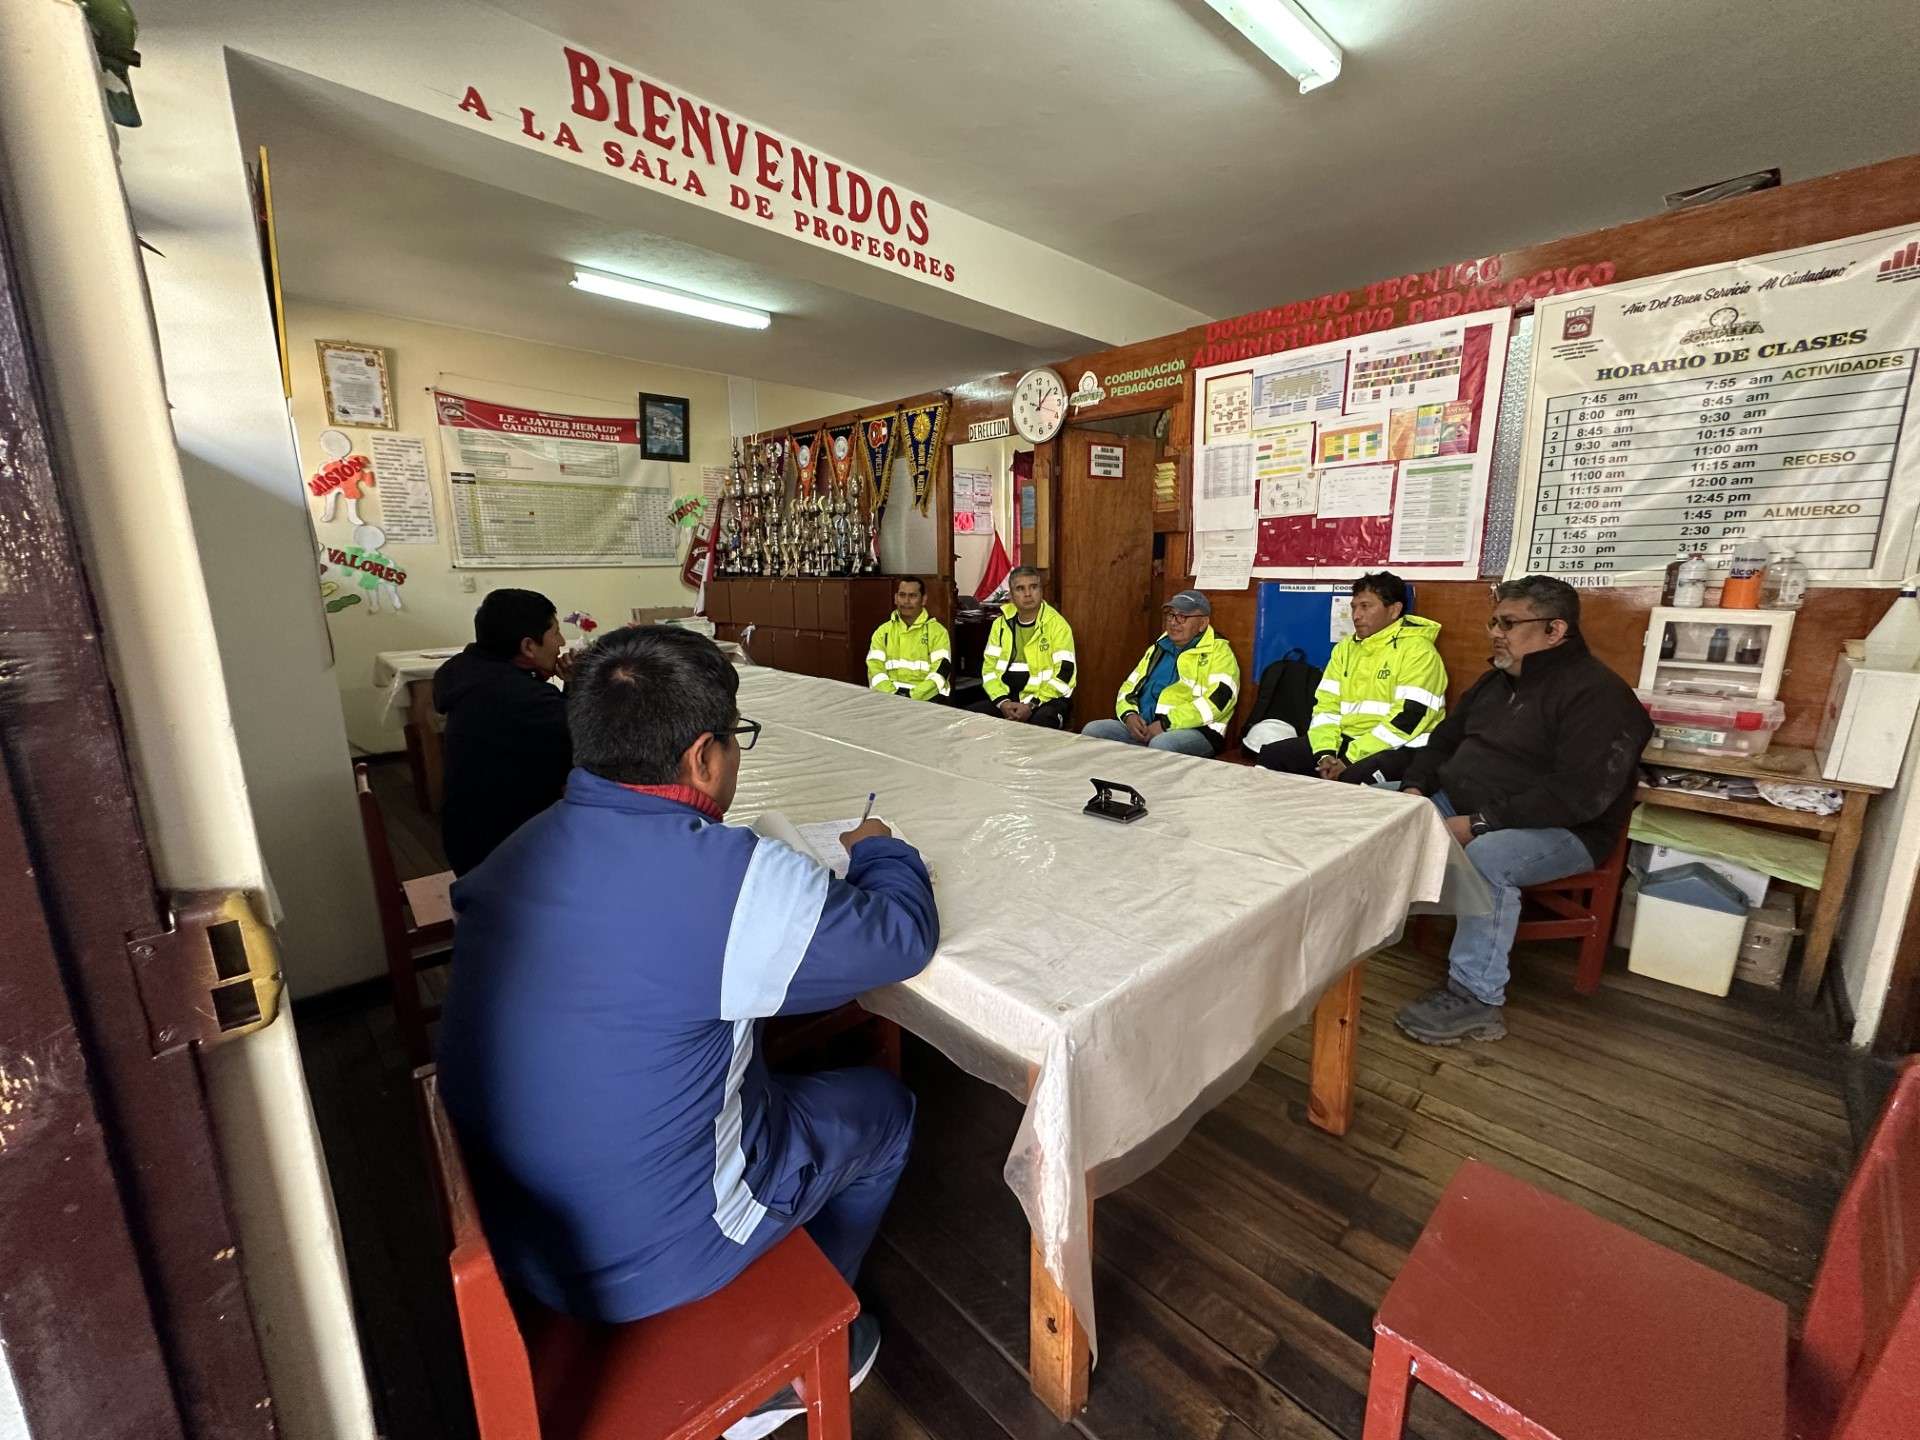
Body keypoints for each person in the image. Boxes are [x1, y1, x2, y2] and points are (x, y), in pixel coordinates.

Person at [438, 626, 937, 1439]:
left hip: (520, 1233)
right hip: (651, 1255)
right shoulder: (728, 877)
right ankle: (783, 1371)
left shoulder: (515, 852)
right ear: (704, 757)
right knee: (886, 1111)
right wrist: (884, 853)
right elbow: (901, 939)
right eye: (736, 739)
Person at [1393, 576, 1653, 1046]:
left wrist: (1478, 824)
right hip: (1468, 803)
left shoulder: (1599, 696)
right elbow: (1441, 744)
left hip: (1566, 828)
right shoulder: (1495, 682)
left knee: (1488, 858)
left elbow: (1578, 795)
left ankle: (1477, 998)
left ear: (1555, 630)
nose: (1496, 632)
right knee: (1380, 811)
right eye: (1494, 622)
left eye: (1509, 623)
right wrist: (1414, 789)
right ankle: (1357, 939)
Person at [433, 588, 573, 876]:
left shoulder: (468, 671)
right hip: (503, 856)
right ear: (528, 647)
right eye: (555, 632)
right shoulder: (520, 697)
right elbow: (587, 743)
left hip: (468, 837)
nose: (561, 643)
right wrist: (580, 684)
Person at [1259, 572, 1447, 785]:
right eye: (1354, 607)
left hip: (1403, 747)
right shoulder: (1345, 649)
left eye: (1365, 606)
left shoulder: (1419, 652)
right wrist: (1325, 753)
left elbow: (1408, 720)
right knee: (1272, 756)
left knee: (1351, 779)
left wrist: (1349, 759)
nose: (1356, 615)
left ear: (1394, 610)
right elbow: (1326, 707)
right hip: (1348, 741)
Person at [1083, 590, 1240, 756]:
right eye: (1171, 615)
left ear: (1202, 623)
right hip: (1147, 725)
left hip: (1197, 730)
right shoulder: (1158, 648)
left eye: (1182, 617)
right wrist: (1129, 714)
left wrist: (1166, 724)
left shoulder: (1220, 653)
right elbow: (1129, 687)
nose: (1173, 622)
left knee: (1161, 744)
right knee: (1093, 731)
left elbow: (1218, 702)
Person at [970, 566, 1077, 729]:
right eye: (1020, 589)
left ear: (1041, 591)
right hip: (1008, 698)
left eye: (1033, 587)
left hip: (1047, 700)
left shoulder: (1058, 625)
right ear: (1011, 595)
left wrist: (1031, 704)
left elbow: (1065, 674)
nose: (1028, 594)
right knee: (968, 718)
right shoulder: (1000, 625)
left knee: (1040, 724)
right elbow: (989, 670)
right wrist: (1002, 702)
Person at [866, 576, 952, 701]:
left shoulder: (938, 632)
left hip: (927, 700)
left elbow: (940, 671)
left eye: (913, 596)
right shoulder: (882, 632)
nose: (906, 601)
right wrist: (892, 694)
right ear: (896, 598)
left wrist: (912, 696)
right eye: (902, 595)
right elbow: (875, 668)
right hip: (888, 698)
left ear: (923, 599)